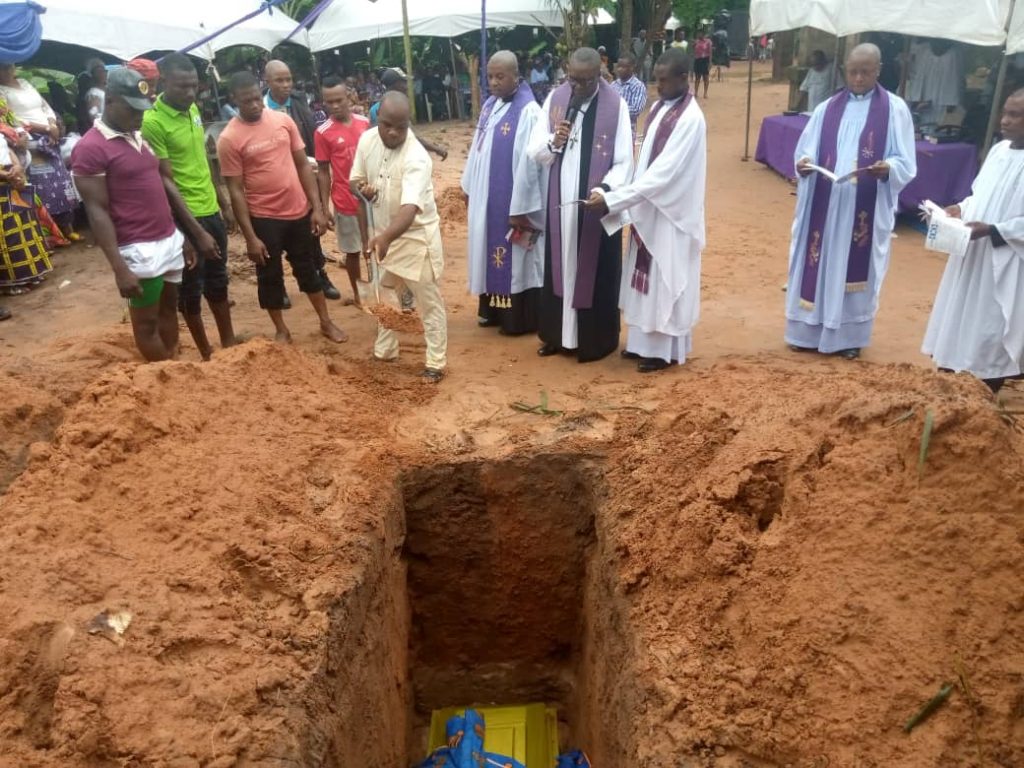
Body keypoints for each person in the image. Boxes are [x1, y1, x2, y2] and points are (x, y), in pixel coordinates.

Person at [72, 68, 219, 362]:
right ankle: (164, 379)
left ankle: (173, 368)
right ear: (109, 101)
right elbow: (97, 211)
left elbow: (159, 190)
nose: (139, 115)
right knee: (147, 323)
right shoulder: (90, 148)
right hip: (137, 249)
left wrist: (180, 237)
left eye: (143, 108)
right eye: (132, 109)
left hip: (167, 241)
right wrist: (119, 268)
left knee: (168, 313)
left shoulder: (138, 137)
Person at [786, 43, 916, 359]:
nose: (858, 78)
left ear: (878, 71)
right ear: (845, 69)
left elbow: (906, 161)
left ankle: (847, 337)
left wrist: (889, 169)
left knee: (853, 267)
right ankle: (807, 330)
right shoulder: (826, 108)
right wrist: (803, 164)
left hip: (863, 210)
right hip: (824, 203)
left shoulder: (894, 110)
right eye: (853, 71)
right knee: (816, 261)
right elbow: (806, 150)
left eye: (866, 72)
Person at [587, 48, 705, 373]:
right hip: (648, 208)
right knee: (643, 280)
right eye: (657, 81)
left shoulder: (691, 119)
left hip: (671, 214)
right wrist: (621, 193)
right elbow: (642, 161)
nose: (659, 87)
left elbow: (663, 174)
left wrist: (616, 200)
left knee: (665, 278)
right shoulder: (657, 109)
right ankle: (640, 343)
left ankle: (662, 350)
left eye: (665, 81)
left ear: (685, 78)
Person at [217, 71, 348, 345]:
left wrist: (317, 208)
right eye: (246, 101)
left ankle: (326, 321)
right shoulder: (229, 138)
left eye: (256, 98)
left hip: (299, 212)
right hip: (264, 218)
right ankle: (281, 329)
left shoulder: (283, 121)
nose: (254, 105)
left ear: (260, 93)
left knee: (309, 269)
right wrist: (250, 236)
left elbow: (303, 164)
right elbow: (235, 191)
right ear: (234, 100)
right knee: (269, 276)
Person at [528, 47, 633, 362]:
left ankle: (594, 340)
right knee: (559, 270)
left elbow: (624, 161)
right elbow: (535, 150)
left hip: (593, 208)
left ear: (599, 75)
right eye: (573, 80)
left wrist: (605, 190)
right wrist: (553, 142)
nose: (577, 88)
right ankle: (557, 335)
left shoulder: (616, 106)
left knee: (595, 273)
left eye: (586, 82)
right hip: (561, 209)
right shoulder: (556, 100)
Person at [922, 89, 1024, 394]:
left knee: (989, 333)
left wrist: (994, 230)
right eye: (1005, 112)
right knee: (960, 323)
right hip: (971, 256)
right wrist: (960, 209)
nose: (1004, 120)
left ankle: (982, 394)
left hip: (1004, 264)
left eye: (1015, 115)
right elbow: (981, 195)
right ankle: (950, 383)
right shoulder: (999, 151)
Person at [142, 53, 239, 361]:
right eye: (182, 87)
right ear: (163, 82)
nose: (189, 93)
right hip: (185, 217)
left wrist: (223, 202)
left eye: (193, 86)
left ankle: (229, 342)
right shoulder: (152, 122)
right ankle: (206, 353)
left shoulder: (193, 110)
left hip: (209, 208)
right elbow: (165, 181)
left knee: (218, 279)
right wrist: (195, 233)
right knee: (190, 290)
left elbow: (202, 158)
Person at [350, 92, 448, 383]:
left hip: (415, 238)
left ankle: (436, 362)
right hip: (384, 236)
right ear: (377, 119)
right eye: (386, 125)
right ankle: (385, 349)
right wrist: (364, 190)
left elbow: (410, 209)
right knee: (384, 295)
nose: (393, 132)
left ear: (409, 125)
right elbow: (355, 181)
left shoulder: (417, 157)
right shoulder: (367, 140)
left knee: (428, 301)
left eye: (401, 127)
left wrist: (384, 238)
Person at [461, 51, 545, 335]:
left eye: (500, 76)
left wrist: (519, 205)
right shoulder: (489, 106)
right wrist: (469, 186)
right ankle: (491, 309)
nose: (494, 83)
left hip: (511, 202)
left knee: (516, 258)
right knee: (487, 249)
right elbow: (477, 150)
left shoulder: (529, 111)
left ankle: (517, 319)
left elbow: (529, 164)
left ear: (516, 76)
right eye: (490, 77)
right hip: (487, 197)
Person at [263, 59, 341, 301]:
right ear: (267, 82)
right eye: (280, 80)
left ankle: (320, 275)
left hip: (306, 175)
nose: (286, 85)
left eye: (288, 79)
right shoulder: (262, 108)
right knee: (275, 238)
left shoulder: (299, 101)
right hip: (276, 182)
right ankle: (280, 289)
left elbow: (310, 136)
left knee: (312, 230)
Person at [0, 63, 81, 243]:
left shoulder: (25, 83)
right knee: (41, 187)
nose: (7, 71)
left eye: (9, 67)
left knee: (61, 183)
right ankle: (48, 235)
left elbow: (45, 106)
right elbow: (12, 118)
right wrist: (44, 128)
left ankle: (68, 227)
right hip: (28, 138)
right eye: (2, 68)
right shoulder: (1, 92)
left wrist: (52, 125)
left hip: (50, 135)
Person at [315, 75, 370, 305]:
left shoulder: (365, 123)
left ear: (349, 96)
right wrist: (323, 206)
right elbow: (324, 171)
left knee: (375, 248)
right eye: (329, 102)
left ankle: (378, 289)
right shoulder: (323, 132)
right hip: (345, 202)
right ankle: (359, 295)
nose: (335, 106)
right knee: (353, 251)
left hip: (370, 200)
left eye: (339, 100)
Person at [0, 126, 53, 297]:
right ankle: (10, 282)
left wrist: (17, 167)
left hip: (12, 182)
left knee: (24, 228)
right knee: (7, 235)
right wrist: (5, 174)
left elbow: (7, 150)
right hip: (4, 182)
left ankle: (29, 274)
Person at [370, 68, 448, 161]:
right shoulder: (395, 108)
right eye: (403, 82)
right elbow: (410, 137)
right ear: (396, 84)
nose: (406, 86)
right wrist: (436, 149)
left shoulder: (377, 108)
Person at [906, 39, 964, 130]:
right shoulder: (925, 52)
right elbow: (919, 78)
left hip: (944, 103)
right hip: (925, 102)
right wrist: (918, 99)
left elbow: (955, 82)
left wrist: (951, 104)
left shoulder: (954, 55)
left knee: (940, 127)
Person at [611, 53, 647, 134]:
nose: (619, 69)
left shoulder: (638, 86)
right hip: (612, 129)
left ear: (632, 68)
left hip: (627, 131)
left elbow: (636, 110)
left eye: (623, 67)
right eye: (618, 66)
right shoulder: (613, 85)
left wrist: (615, 110)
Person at [84, 58, 107, 124]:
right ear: (93, 75)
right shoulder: (93, 93)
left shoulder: (107, 89)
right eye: (99, 72)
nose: (103, 74)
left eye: (104, 71)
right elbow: (93, 114)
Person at [693, 31, 712, 99]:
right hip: (698, 60)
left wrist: (710, 62)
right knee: (697, 77)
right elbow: (693, 51)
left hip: (705, 60)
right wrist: (694, 44)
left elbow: (710, 52)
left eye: (700, 33)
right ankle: (695, 92)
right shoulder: (696, 42)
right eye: (698, 33)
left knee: (705, 77)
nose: (699, 34)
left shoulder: (708, 42)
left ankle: (705, 93)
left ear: (703, 34)